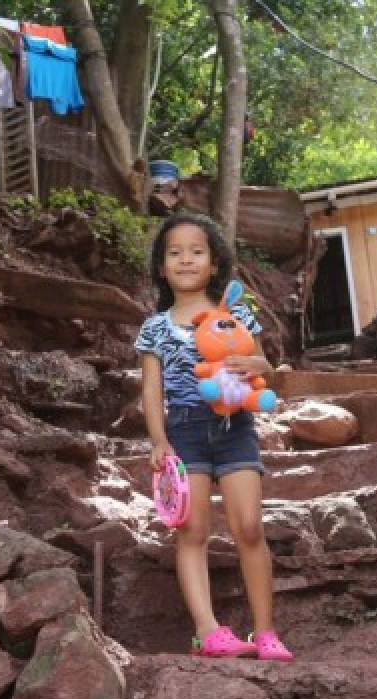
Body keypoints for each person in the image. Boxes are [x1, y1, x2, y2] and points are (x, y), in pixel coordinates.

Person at [135, 212, 294, 662]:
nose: (186, 260)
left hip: (235, 427)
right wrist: (158, 441)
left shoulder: (234, 311)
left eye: (197, 251)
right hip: (184, 430)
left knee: (249, 526)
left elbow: (261, 361)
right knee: (193, 531)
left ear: (214, 262)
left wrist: (259, 368)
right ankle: (208, 631)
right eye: (175, 253)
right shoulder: (155, 326)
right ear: (162, 267)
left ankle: (266, 632)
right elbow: (151, 389)